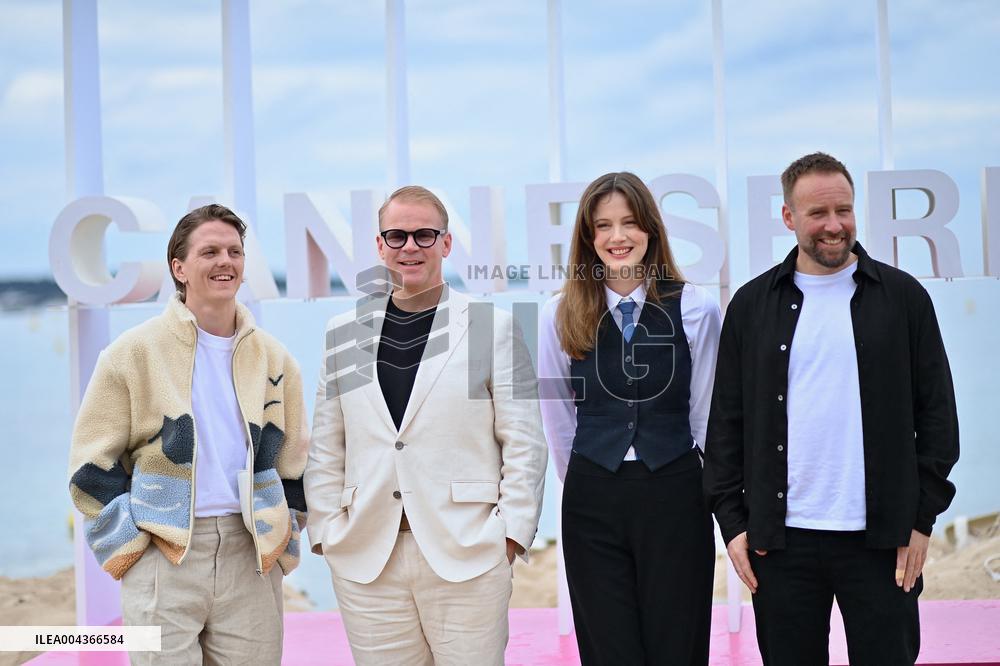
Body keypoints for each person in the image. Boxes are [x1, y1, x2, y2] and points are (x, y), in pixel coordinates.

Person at [703, 152, 960, 666]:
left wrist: (921, 521)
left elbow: (938, 419)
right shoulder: (752, 307)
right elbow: (726, 425)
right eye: (818, 213)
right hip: (781, 545)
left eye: (843, 210)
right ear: (788, 218)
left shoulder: (904, 299)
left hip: (883, 543)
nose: (834, 225)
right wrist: (732, 525)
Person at [304, 185, 547, 666]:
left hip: (469, 552)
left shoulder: (488, 327)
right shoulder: (343, 333)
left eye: (423, 235)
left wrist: (510, 535)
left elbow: (524, 441)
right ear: (379, 246)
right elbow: (328, 445)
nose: (409, 246)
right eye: (396, 235)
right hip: (366, 558)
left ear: (446, 243)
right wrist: (326, 531)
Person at [67, 204, 308, 664]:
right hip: (164, 553)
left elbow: (293, 462)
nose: (226, 262)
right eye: (210, 251)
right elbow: (89, 467)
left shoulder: (276, 360)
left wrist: (283, 543)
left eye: (235, 251)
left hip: (250, 555)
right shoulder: (131, 354)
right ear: (178, 267)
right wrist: (133, 549)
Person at [537, 172, 721, 665]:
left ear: (651, 231)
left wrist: (695, 478)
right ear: (588, 237)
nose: (618, 238)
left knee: (677, 645)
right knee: (609, 649)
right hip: (593, 498)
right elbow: (557, 414)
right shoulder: (557, 313)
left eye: (630, 223)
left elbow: (704, 407)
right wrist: (584, 477)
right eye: (603, 226)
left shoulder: (697, 308)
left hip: (676, 492)